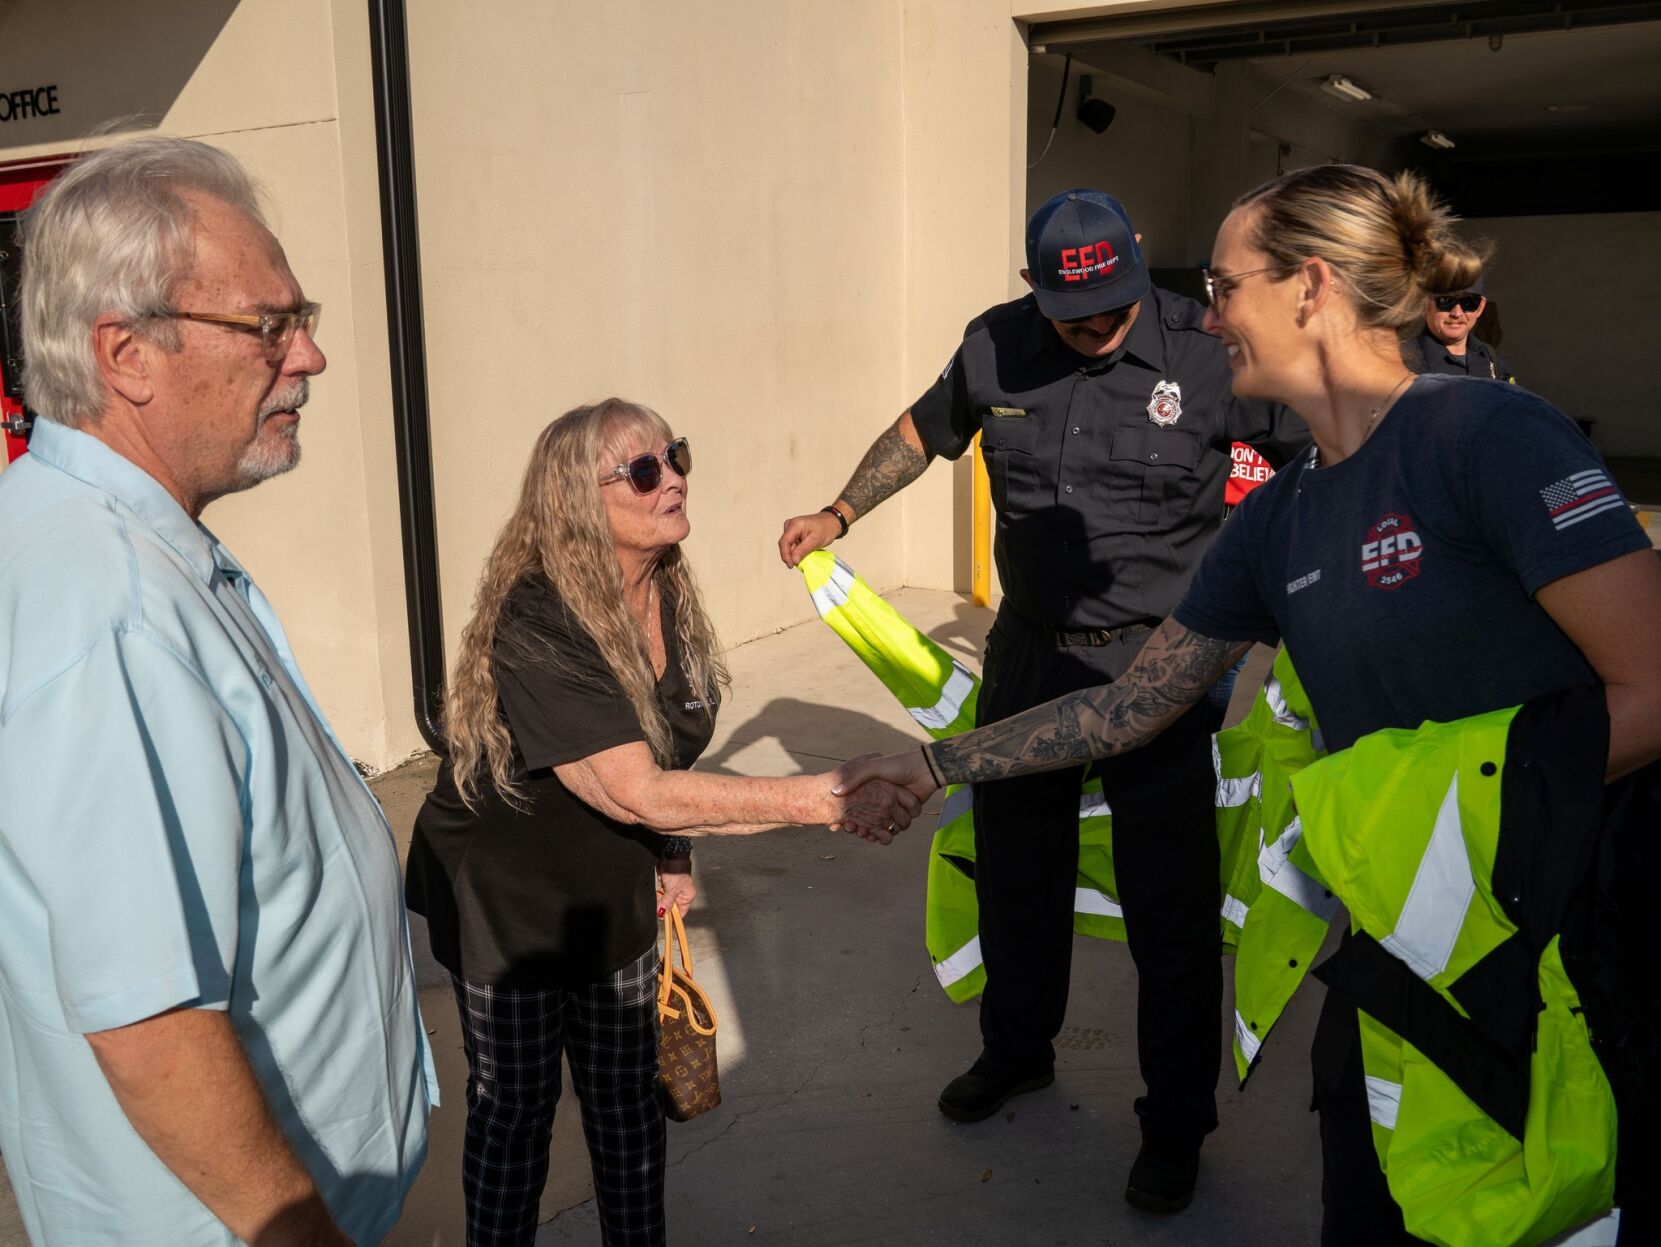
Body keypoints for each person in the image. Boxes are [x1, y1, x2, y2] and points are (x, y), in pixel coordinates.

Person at [835, 164, 1661, 1243]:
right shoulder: (1275, 522)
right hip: (1409, 939)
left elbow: (1647, 683)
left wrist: (1467, 809)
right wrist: (937, 762)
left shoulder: (1486, 437)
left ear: (1309, 286)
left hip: (1578, 936)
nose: (1206, 311)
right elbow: (1126, 708)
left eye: (1224, 286)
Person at [779, 188, 1307, 1211]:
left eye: (1111, 307)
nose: (1096, 329)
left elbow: (1311, 455)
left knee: (1171, 908)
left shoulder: (1203, 349)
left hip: (1161, 662)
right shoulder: (993, 345)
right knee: (1016, 871)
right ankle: (1015, 1049)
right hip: (1027, 652)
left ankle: (1173, 1122)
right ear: (1032, 288)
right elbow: (918, 430)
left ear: (1134, 260)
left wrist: (1285, 593)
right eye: (1073, 317)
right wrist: (841, 507)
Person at [0, 137, 435, 1245]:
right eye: (270, 324)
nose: (311, 358)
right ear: (128, 356)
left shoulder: (103, 540)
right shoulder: (115, 613)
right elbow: (148, 1022)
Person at [405, 398, 918, 1247]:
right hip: (508, 899)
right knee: (516, 1110)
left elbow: (665, 757)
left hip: (611, 876)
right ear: (579, 502)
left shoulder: (663, 591)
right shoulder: (537, 618)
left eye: (674, 454)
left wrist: (673, 851)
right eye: (645, 470)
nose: (673, 477)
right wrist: (821, 796)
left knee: (625, 1099)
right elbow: (633, 787)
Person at [1409, 276, 1515, 381]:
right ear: (1424, 305)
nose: (1457, 313)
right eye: (1446, 300)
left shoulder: (1493, 361)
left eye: (1468, 302)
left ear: (1480, 307)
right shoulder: (1404, 363)